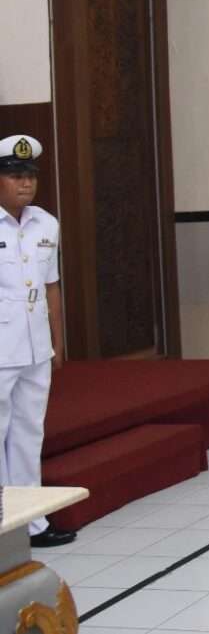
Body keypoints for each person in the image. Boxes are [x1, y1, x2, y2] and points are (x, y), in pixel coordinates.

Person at [0, 135, 73, 547]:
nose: (25, 183)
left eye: (29, 176)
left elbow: (52, 286)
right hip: (0, 349)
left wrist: (57, 343)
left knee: (29, 432)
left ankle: (33, 522)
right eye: (14, 175)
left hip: (35, 346)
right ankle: (4, 526)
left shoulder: (46, 223)